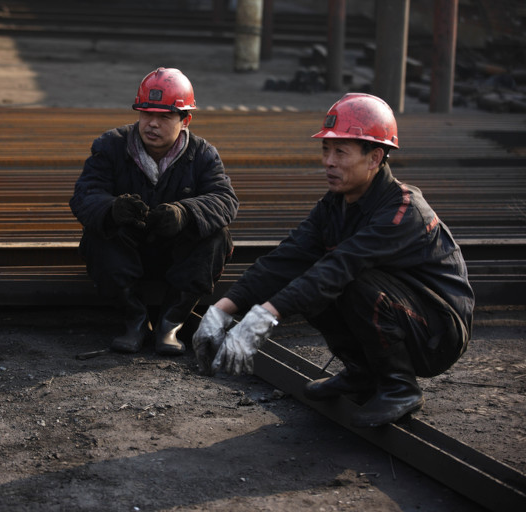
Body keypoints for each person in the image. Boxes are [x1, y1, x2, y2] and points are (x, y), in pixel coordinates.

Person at [192, 93, 474, 428]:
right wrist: (223, 309)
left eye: (341, 151)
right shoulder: (335, 204)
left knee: (340, 278)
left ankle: (400, 387)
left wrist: (263, 318)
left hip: (437, 332)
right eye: (326, 150)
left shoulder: (402, 210)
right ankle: (362, 374)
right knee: (310, 279)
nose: (328, 161)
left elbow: (342, 266)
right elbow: (287, 256)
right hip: (404, 315)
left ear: (374, 158)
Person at [70, 67, 238, 356]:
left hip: (177, 255)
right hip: (128, 251)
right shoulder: (110, 146)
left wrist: (184, 213)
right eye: (146, 114)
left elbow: (224, 199)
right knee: (99, 232)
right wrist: (112, 209)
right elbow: (85, 195)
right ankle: (134, 320)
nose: (152, 124)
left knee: (217, 236)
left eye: (164, 117)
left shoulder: (203, 154)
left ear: (185, 120)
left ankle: (171, 323)